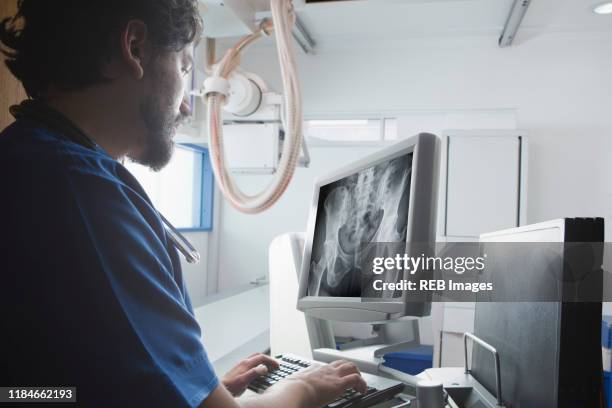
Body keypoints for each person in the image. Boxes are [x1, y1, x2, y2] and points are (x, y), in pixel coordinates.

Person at [0, 1, 366, 407]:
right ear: (135, 47)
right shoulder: (82, 192)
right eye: (185, 67)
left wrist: (191, 388)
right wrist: (308, 386)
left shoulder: (26, 159)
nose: (187, 105)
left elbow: (37, 391)